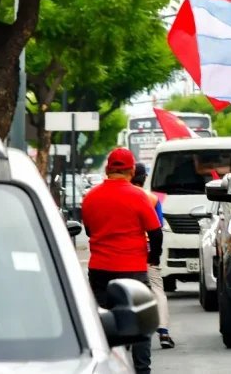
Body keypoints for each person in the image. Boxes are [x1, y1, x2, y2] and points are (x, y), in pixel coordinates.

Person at [81, 148, 161, 374]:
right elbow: (155, 232)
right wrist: (153, 257)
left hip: (100, 270)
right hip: (133, 270)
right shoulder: (138, 196)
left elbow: (89, 230)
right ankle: (142, 370)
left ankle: (105, 367)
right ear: (132, 170)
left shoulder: (90, 197)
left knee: (101, 324)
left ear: (107, 170)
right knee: (140, 322)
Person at [131, 163, 174, 349]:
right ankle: (163, 332)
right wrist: (155, 255)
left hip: (127, 252)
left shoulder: (120, 195)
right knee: (157, 290)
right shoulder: (152, 199)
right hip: (147, 250)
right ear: (144, 178)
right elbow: (158, 228)